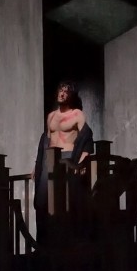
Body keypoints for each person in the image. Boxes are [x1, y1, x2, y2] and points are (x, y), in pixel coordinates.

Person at [33, 81, 94, 243]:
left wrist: (80, 162)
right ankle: (45, 241)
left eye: (66, 91)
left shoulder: (77, 114)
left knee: (66, 201)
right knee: (43, 200)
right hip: (49, 159)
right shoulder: (51, 116)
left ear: (71, 95)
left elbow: (86, 138)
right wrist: (38, 166)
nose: (62, 93)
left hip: (68, 158)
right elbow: (45, 141)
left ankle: (67, 241)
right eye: (60, 90)